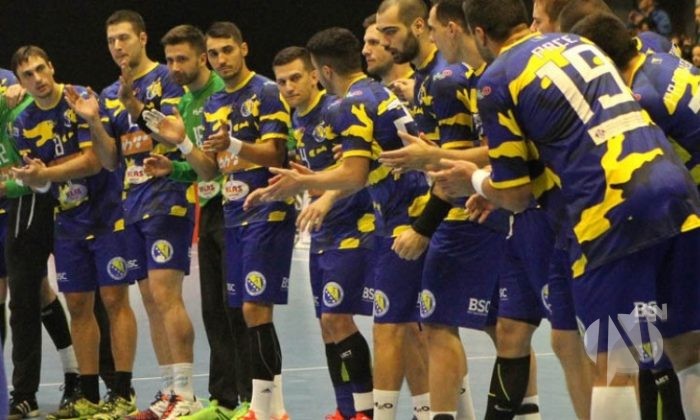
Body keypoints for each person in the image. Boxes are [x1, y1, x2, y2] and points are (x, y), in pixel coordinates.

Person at [435, 0, 700, 418]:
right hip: (678, 194)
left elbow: (516, 196)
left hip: (611, 211)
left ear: (480, 34)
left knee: (615, 363)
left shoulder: (496, 80)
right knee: (688, 349)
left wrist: (474, 180)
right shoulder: (580, 44)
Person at [247, 26, 430, 420]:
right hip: (405, 214)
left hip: (399, 220)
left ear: (323, 72)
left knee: (395, 328)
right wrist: (305, 182)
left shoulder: (350, 104)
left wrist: (305, 183)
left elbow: (353, 175)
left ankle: (381, 413)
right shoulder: (375, 93)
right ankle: (417, 412)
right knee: (411, 328)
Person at [143, 21, 294, 420]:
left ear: (244, 48)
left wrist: (235, 145)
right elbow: (209, 169)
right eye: (215, 53)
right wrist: (180, 149)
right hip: (224, 212)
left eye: (227, 50)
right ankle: (227, 401)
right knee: (217, 309)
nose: (221, 59)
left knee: (251, 312)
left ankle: (259, 404)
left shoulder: (266, 91)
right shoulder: (212, 105)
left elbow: (276, 154)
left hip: (263, 212)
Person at [66, 9, 200, 418]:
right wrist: (94, 122)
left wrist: (135, 105)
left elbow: (176, 134)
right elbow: (110, 160)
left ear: (142, 38)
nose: (117, 47)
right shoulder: (108, 94)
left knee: (165, 295)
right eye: (111, 41)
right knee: (149, 300)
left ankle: (187, 394)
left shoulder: (168, 77)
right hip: (132, 203)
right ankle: (169, 393)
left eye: (123, 38)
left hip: (168, 195)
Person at [11, 45, 137, 419]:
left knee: (114, 300)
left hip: (107, 215)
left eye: (40, 69)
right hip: (67, 222)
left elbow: (95, 162)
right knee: (79, 306)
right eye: (28, 75)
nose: (38, 79)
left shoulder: (79, 98)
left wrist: (46, 173)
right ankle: (89, 395)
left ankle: (122, 391)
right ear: (19, 82)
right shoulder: (22, 123)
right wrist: (33, 178)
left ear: (51, 66)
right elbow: (39, 180)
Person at [268, 46, 375, 420]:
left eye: (295, 77)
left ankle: (365, 411)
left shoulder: (337, 110)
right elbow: (317, 174)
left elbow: (357, 169)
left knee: (337, 319)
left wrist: (326, 199)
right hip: (323, 231)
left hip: (354, 227)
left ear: (315, 75)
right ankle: (345, 410)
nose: (288, 87)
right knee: (327, 326)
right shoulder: (297, 118)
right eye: (281, 81)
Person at [362, 15, 414, 101]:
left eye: (373, 42)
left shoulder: (426, 87)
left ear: (394, 43)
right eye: (365, 43)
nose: (364, 51)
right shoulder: (370, 99)